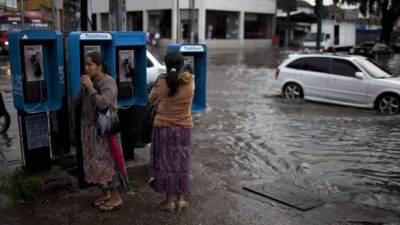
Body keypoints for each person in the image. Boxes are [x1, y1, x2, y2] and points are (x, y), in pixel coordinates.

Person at [74, 51, 127, 212]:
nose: (86, 67)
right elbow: (75, 102)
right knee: (95, 164)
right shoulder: (90, 82)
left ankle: (116, 197)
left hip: (105, 131)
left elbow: (103, 104)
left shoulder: (108, 82)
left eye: (90, 64)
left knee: (107, 163)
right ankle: (106, 193)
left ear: (100, 66)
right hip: (90, 130)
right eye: (86, 64)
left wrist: (90, 88)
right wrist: (84, 88)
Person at [148, 51, 195, 212]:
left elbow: (151, 100)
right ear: (182, 65)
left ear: (166, 65)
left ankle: (168, 201)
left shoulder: (161, 82)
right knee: (182, 161)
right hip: (184, 128)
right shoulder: (190, 82)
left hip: (164, 128)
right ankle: (181, 199)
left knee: (166, 163)